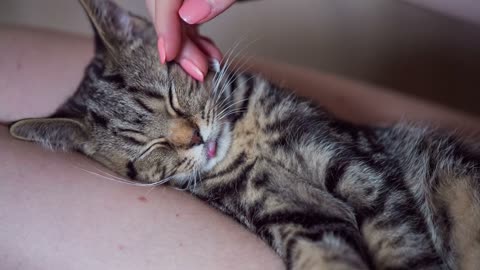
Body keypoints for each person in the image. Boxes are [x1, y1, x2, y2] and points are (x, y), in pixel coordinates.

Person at [1, 1, 479, 269]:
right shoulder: (204, 182)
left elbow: (369, 188)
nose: (188, 135)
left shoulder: (260, 104)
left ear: (145, 36)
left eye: (173, 100)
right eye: (151, 148)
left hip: (443, 191)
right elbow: (302, 231)